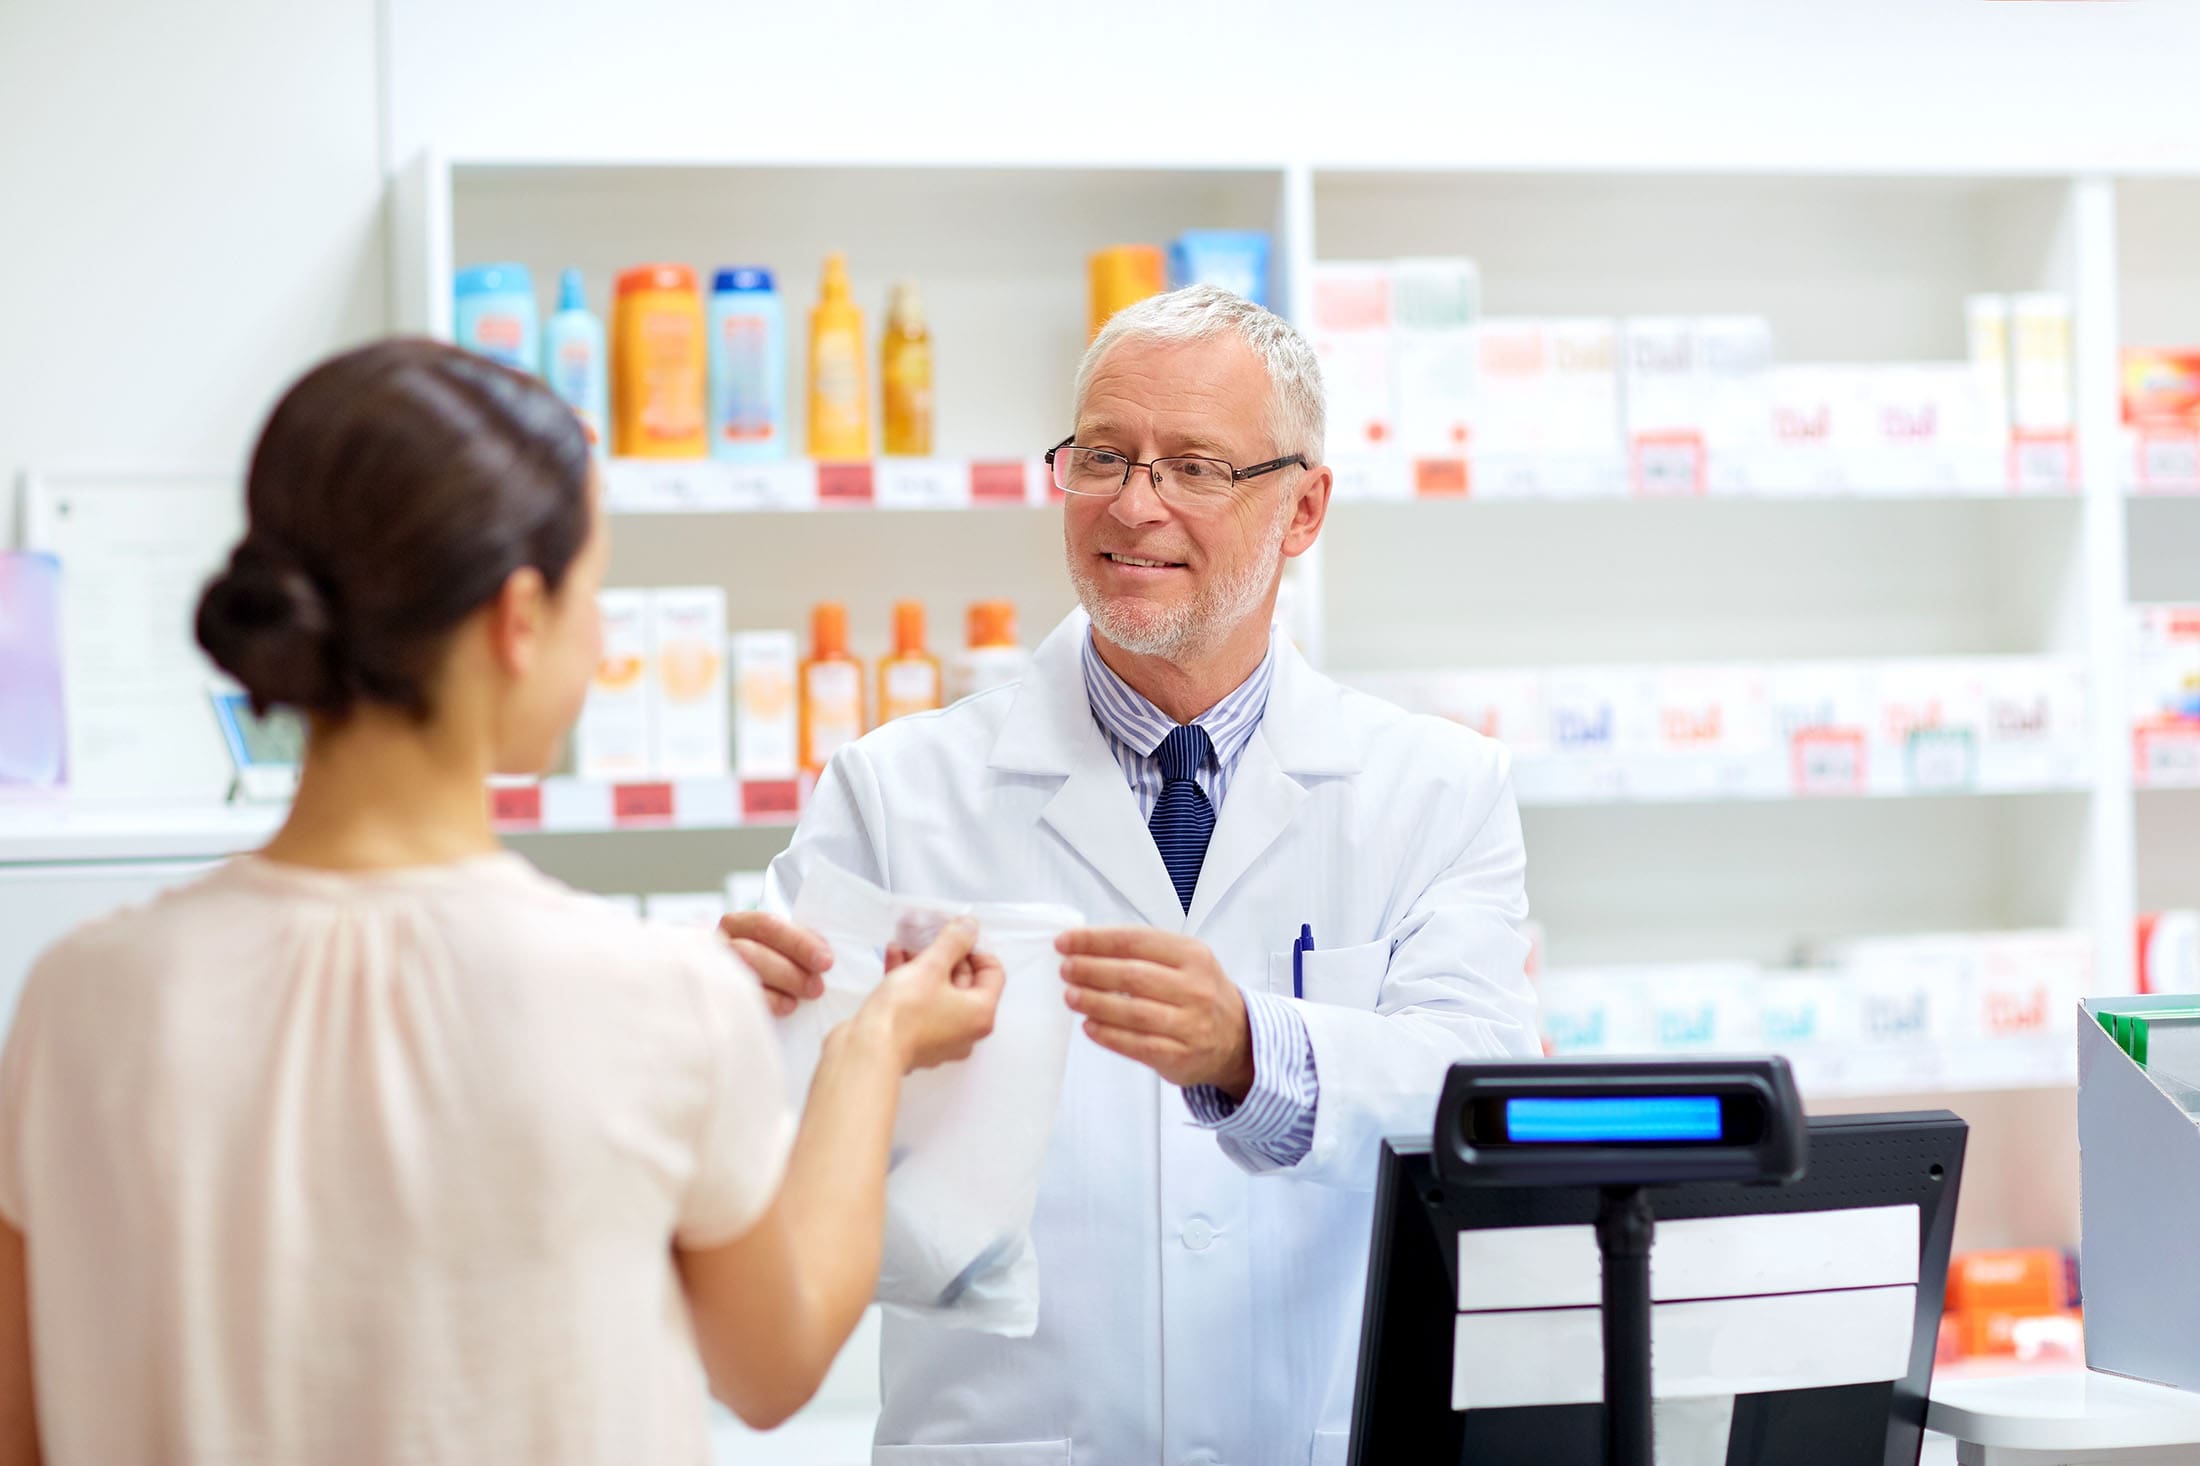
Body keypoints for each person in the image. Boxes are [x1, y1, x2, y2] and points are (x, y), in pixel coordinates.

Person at [0, 339, 1003, 1466]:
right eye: (595, 589)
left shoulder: (78, 994)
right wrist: (873, 1047)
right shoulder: (652, 1003)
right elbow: (772, 1366)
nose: (602, 630)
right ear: (519, 616)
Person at [722, 285, 1540, 1464]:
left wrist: (1260, 1050)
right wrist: (731, 1026)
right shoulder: (895, 789)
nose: (1132, 501)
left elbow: (1490, 1094)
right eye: (1102, 454)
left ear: (1302, 507)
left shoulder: (1434, 789)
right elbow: (777, 1147)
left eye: (1195, 466)